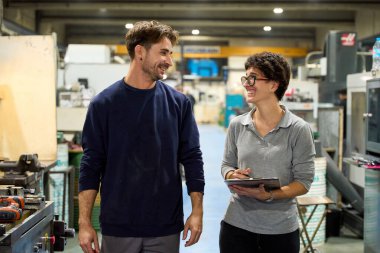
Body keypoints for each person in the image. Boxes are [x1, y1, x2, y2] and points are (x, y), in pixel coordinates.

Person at [78, 20, 205, 253]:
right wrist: (84, 222)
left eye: (170, 53)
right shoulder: (104, 105)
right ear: (140, 51)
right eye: (163, 52)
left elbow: (192, 158)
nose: (169, 60)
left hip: (165, 226)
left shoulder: (179, 104)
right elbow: (90, 164)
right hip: (119, 226)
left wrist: (197, 211)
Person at [219, 52, 315, 253]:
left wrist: (270, 195)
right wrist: (231, 174)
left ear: (274, 84)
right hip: (236, 225)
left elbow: (303, 182)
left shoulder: (298, 129)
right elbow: (227, 164)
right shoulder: (238, 125)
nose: (246, 83)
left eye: (253, 78)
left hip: (280, 230)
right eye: (246, 78)